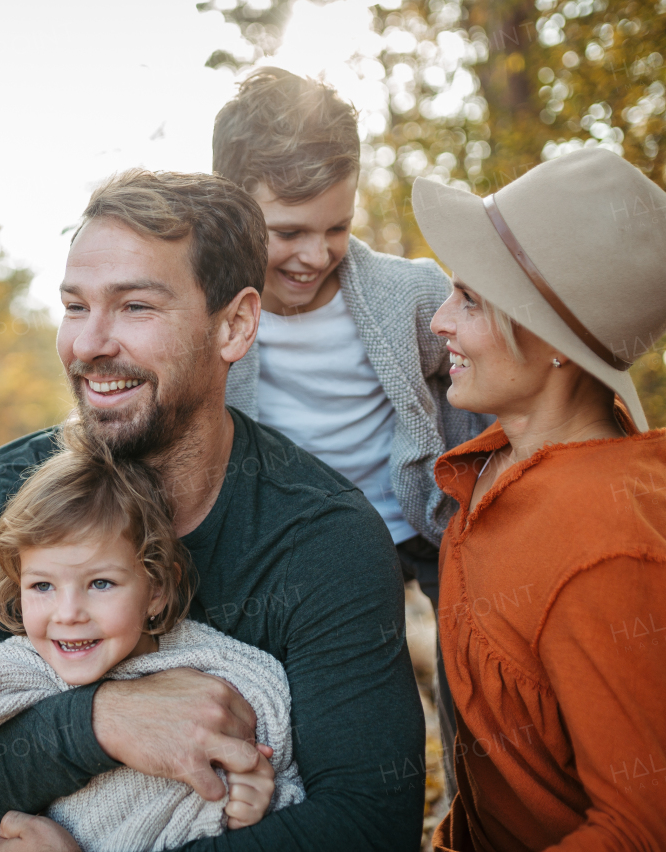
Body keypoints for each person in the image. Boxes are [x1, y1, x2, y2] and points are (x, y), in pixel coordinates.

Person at [0, 169, 425, 851]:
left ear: (234, 325)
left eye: (134, 307)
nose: (88, 344)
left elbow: (370, 825)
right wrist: (103, 722)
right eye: (76, 306)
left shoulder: (324, 539)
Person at [410, 147, 666, 850]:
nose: (438, 323)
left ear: (552, 340)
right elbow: (507, 777)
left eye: (469, 300)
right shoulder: (499, 466)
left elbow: (641, 832)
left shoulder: (612, 545)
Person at [0, 425, 303, 852]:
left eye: (100, 584)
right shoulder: (20, 669)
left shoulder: (232, 673)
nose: (68, 615)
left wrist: (247, 811)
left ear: (157, 587)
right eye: (43, 586)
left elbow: (299, 796)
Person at [214, 66, 488, 793]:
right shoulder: (214, 314)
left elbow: (482, 375)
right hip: (310, 542)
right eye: (289, 232)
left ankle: (478, 808)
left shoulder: (410, 293)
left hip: (423, 517)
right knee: (342, 693)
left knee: (476, 665)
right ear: (232, 208)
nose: (316, 254)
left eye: (337, 227)